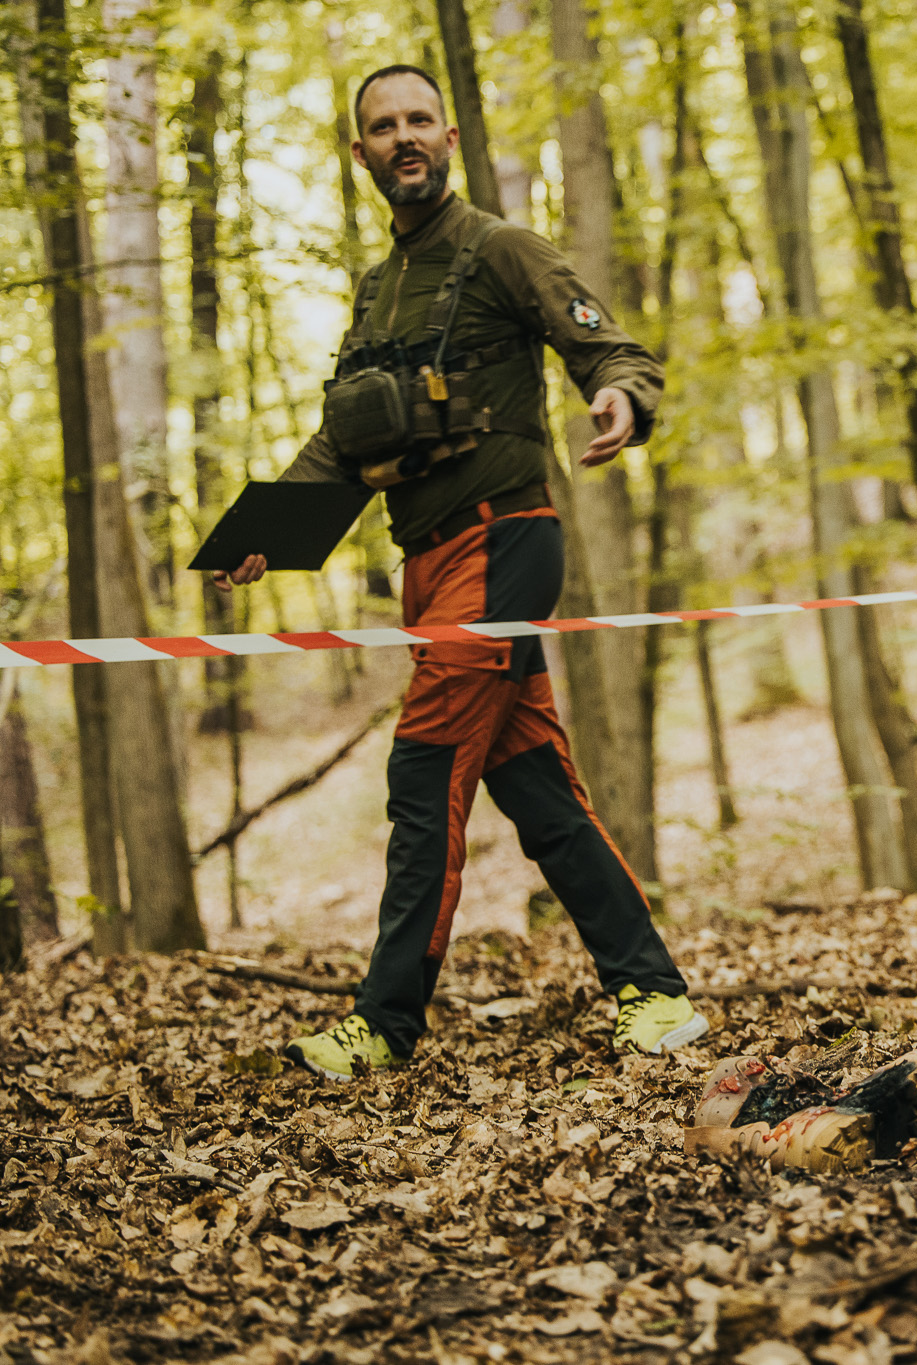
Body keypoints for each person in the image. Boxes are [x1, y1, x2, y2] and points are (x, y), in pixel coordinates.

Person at [213, 64, 707, 1079]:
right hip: (429, 564)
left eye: (419, 120)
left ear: (446, 138)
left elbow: (607, 345)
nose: (403, 137)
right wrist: (265, 529)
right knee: (535, 787)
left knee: (424, 768)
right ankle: (655, 994)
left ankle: (385, 1022)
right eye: (383, 125)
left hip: (505, 542)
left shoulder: (501, 248)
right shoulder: (376, 290)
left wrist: (621, 396)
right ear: (360, 152)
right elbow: (345, 443)